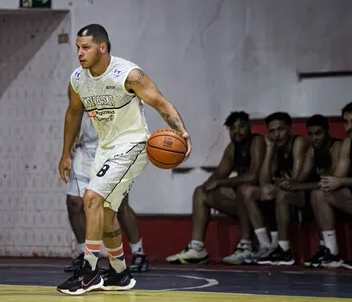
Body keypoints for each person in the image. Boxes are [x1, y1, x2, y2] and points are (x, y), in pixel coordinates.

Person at [57, 24, 191, 295]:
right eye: (78, 48)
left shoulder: (128, 74)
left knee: (91, 198)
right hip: (106, 148)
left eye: (86, 47)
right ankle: (119, 273)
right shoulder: (78, 79)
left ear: (102, 48)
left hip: (133, 146)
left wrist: (181, 131)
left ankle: (90, 271)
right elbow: (73, 114)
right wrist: (65, 153)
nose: (80, 54)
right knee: (105, 212)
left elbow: (160, 102)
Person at [64, 87, 150, 273]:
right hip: (85, 152)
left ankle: (138, 252)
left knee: (118, 206)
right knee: (74, 202)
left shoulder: (115, 90)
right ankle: (83, 254)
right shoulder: (78, 84)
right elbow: (73, 113)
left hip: (112, 152)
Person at [166, 111, 265, 265]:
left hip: (261, 200)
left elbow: (254, 176)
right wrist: (209, 185)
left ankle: (247, 246)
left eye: (241, 127)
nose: (237, 132)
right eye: (233, 129)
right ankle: (197, 248)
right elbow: (220, 173)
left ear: (250, 127)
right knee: (201, 192)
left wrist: (219, 183)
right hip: (242, 200)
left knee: (242, 189)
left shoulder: (257, 141)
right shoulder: (233, 148)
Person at [255, 115, 341, 266]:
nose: (314, 138)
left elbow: (328, 182)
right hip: (314, 196)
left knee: (317, 194)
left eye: (318, 133)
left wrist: (293, 185)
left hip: (335, 196)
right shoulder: (312, 151)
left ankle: (330, 252)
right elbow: (299, 179)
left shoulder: (336, 146)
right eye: (311, 134)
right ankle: (283, 249)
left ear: (328, 131)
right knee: (286, 193)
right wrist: (289, 183)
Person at [240, 112, 308, 263]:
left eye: (281, 129)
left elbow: (295, 182)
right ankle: (266, 246)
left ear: (290, 129)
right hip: (284, 192)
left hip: (305, 196)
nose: (277, 135)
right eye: (272, 131)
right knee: (247, 190)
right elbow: (264, 181)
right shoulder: (275, 146)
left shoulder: (299, 142)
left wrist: (280, 184)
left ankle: (285, 250)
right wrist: (270, 149)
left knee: (281, 193)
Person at [311, 102, 352, 269]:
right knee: (319, 193)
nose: (349, 127)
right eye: (346, 122)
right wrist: (329, 182)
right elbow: (339, 176)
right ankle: (331, 252)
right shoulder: (348, 143)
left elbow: (341, 180)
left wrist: (341, 181)